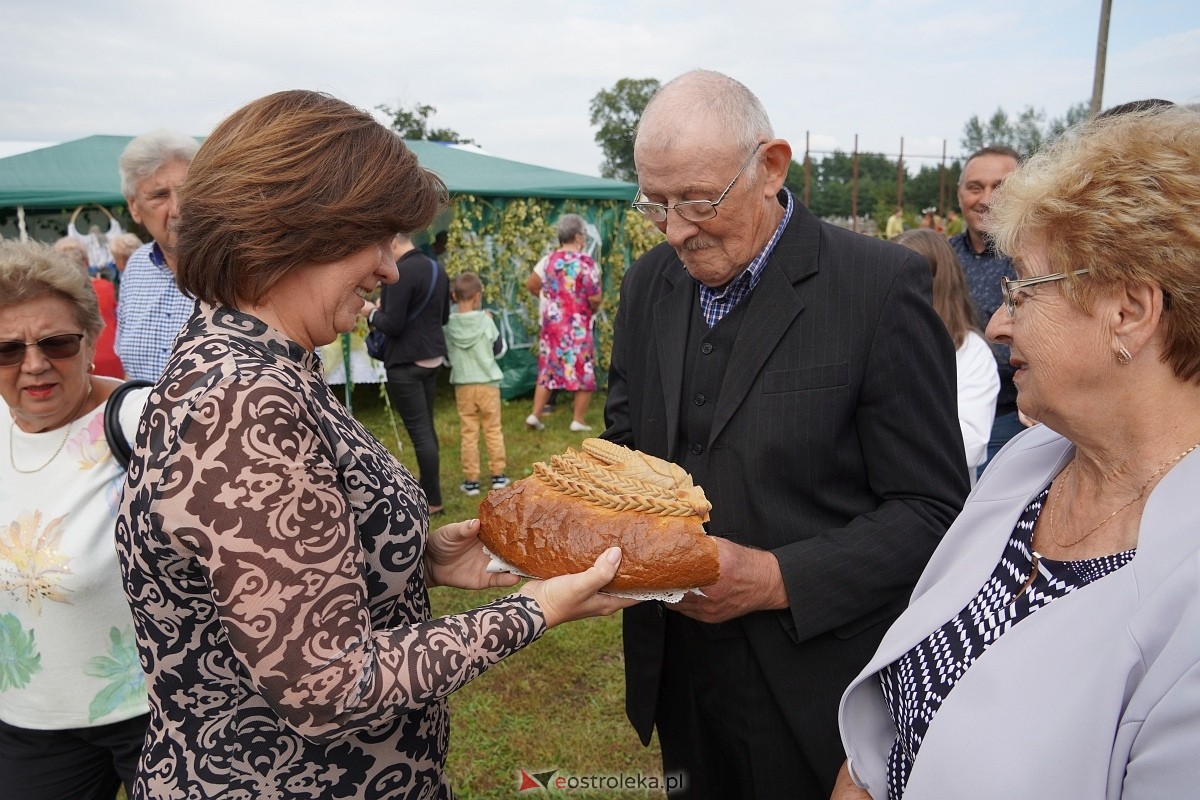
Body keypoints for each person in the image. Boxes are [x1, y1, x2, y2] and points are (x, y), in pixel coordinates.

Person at [113, 89, 634, 800]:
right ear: (296, 227)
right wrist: (537, 607)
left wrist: (416, 558)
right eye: (377, 238)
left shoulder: (250, 362)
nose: (391, 269)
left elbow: (259, 575)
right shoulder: (246, 399)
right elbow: (325, 682)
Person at [608, 69, 969, 799]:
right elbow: (626, 435)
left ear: (771, 167)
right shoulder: (651, 282)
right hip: (678, 664)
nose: (676, 229)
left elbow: (932, 512)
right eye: (656, 204)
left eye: (699, 201)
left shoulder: (878, 288)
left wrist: (777, 579)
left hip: (810, 682)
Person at [836, 105, 1200, 799]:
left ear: (1129, 311)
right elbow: (898, 724)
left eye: (1023, 288)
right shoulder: (1025, 469)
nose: (999, 323)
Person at [0, 240, 150, 800]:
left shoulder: (142, 420)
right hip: (30, 720)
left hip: (156, 714)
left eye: (56, 343)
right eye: (8, 350)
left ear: (90, 343)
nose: (34, 364)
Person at [894, 229, 998, 484]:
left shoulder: (971, 353)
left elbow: (969, 444)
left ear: (935, 283)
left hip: (941, 501)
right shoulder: (883, 339)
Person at [362, 231, 451, 515]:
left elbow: (393, 325)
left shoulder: (399, 273)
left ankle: (433, 499)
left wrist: (369, 311)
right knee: (427, 427)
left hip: (406, 362)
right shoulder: (436, 266)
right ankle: (429, 490)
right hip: (433, 357)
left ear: (394, 241)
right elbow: (444, 317)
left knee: (420, 433)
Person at [949, 145, 1023, 469]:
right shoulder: (943, 258)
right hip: (951, 411)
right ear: (959, 194)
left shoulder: (1036, 262)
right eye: (975, 187)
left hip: (1017, 416)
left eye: (1001, 188)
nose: (987, 199)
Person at [115, 129, 199, 381]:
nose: (177, 209)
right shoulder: (137, 267)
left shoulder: (240, 265)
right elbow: (127, 364)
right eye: (159, 195)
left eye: (187, 191)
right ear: (134, 207)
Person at [524, 214, 602, 433]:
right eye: (583, 235)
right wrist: (590, 309)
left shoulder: (549, 260)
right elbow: (595, 297)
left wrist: (551, 300)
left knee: (547, 369)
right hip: (578, 325)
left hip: (553, 326)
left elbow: (531, 284)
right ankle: (578, 420)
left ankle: (535, 415)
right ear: (577, 236)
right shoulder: (586, 263)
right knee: (583, 368)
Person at [444, 271, 508, 496]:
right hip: (488, 384)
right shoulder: (486, 320)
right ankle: (498, 476)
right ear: (478, 296)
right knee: (493, 430)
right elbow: (499, 351)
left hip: (463, 384)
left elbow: (445, 358)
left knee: (468, 432)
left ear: (454, 296)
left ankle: (471, 481)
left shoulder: (448, 325)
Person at [53, 237, 123, 379]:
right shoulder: (106, 286)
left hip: (75, 358)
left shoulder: (55, 295)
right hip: (113, 356)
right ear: (86, 261)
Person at [67, 204, 123, 272]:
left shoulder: (107, 238)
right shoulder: (86, 240)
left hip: (107, 267)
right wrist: (100, 207)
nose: (95, 233)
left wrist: (80, 209)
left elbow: (71, 227)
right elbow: (71, 228)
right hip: (94, 268)